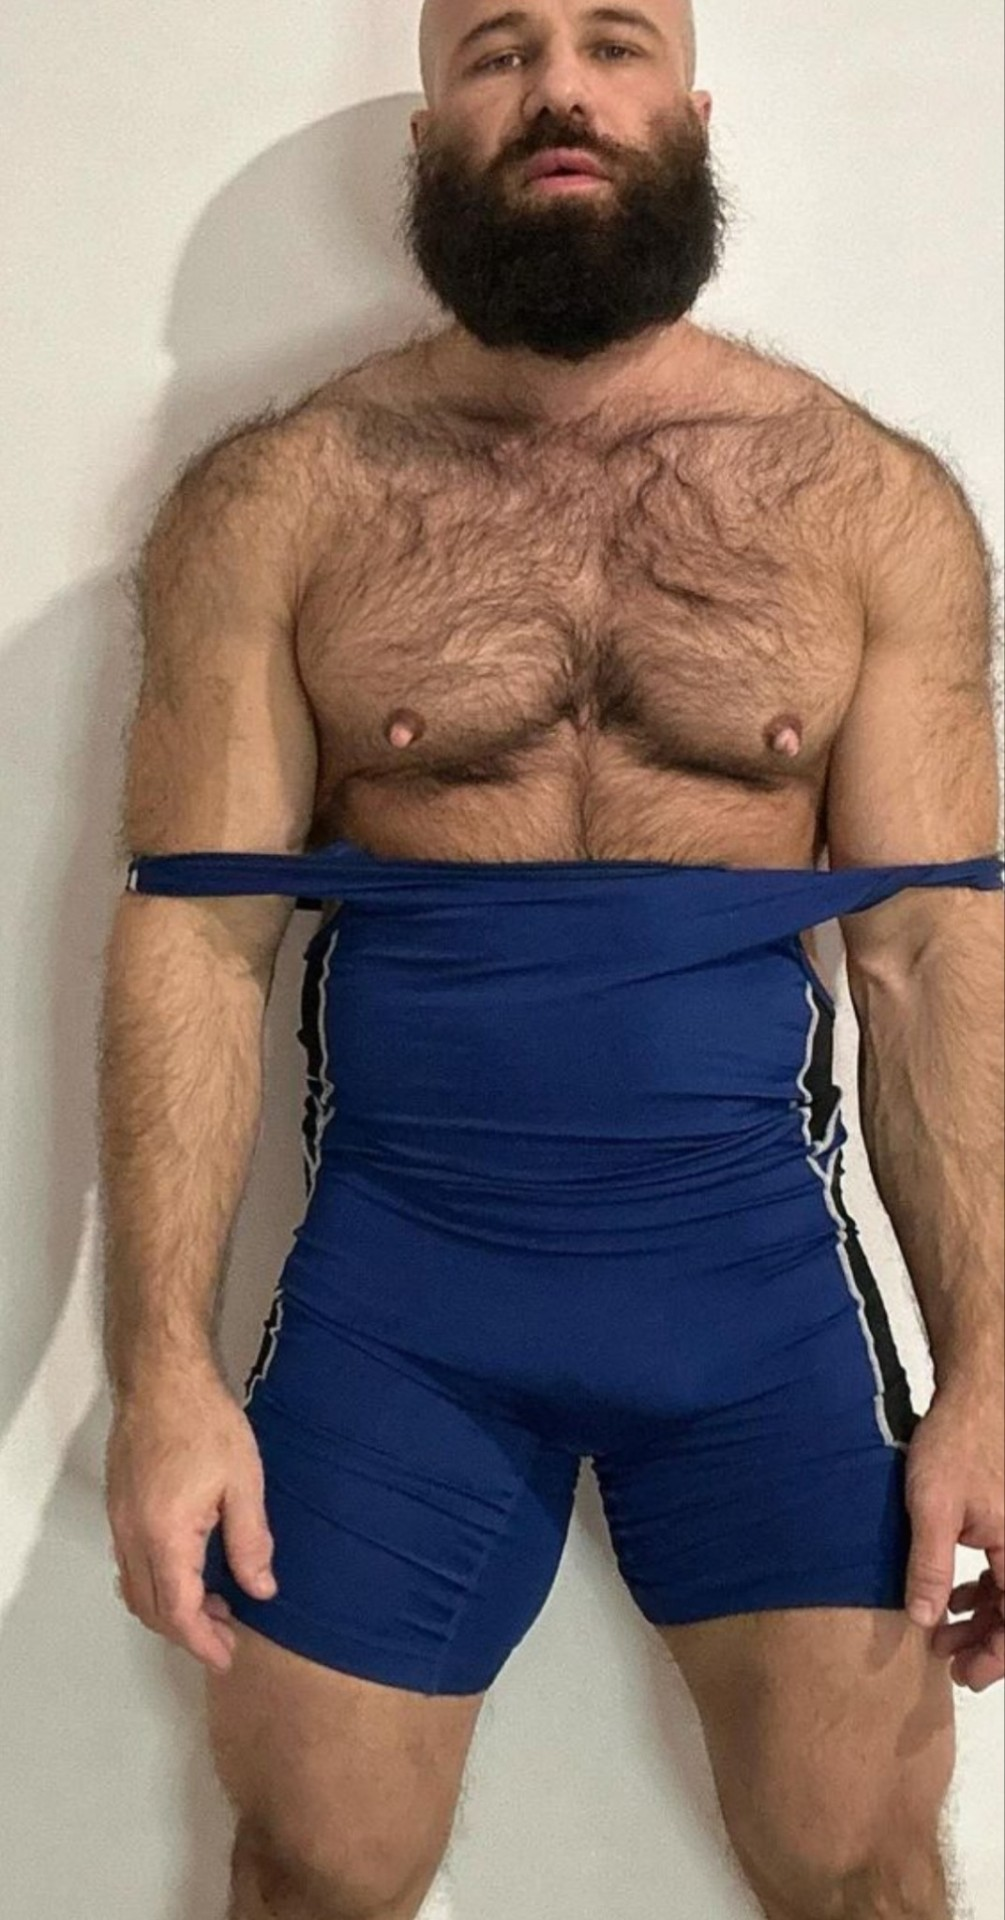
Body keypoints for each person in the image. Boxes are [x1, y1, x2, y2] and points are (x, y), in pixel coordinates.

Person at [98, 3, 1005, 1916]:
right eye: (499, 51)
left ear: (693, 107)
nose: (564, 88)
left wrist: (992, 1370)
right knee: (318, 1863)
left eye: (616, 42)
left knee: (854, 1855)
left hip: (754, 1294)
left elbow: (930, 954)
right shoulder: (283, 499)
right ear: (432, 125)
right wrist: (159, 1372)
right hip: (401, 1300)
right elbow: (199, 937)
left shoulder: (866, 505)